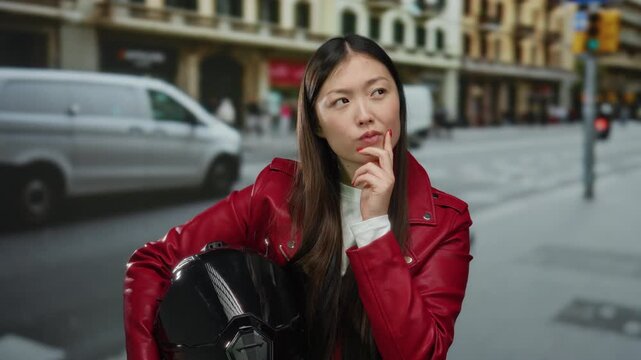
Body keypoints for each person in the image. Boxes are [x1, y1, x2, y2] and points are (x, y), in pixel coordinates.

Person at [124, 34, 473, 360]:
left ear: (399, 100)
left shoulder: (446, 224)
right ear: (317, 123)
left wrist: (375, 229)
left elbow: (419, 353)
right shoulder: (274, 195)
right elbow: (151, 262)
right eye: (341, 100)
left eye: (379, 92)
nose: (365, 114)